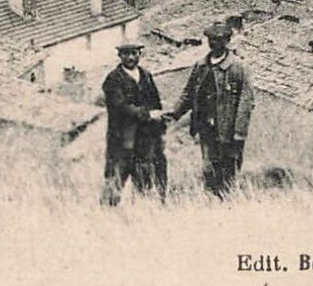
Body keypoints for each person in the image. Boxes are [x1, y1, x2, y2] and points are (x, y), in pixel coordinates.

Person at [166, 22, 254, 197]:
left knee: (228, 167)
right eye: (211, 40)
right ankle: (211, 198)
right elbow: (189, 93)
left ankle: (227, 202)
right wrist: (174, 113)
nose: (214, 43)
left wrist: (239, 133)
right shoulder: (201, 66)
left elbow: (246, 102)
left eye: (218, 40)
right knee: (208, 167)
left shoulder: (239, 68)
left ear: (227, 40)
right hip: (206, 127)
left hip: (228, 130)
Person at [101, 40, 167, 205]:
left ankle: (141, 209)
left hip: (145, 138)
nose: (130, 57)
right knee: (116, 176)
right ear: (119, 56)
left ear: (140, 54)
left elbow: (156, 101)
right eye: (126, 54)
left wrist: (159, 120)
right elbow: (121, 106)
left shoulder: (146, 75)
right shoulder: (113, 79)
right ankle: (106, 211)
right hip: (122, 137)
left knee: (144, 176)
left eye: (134, 53)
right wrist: (146, 114)